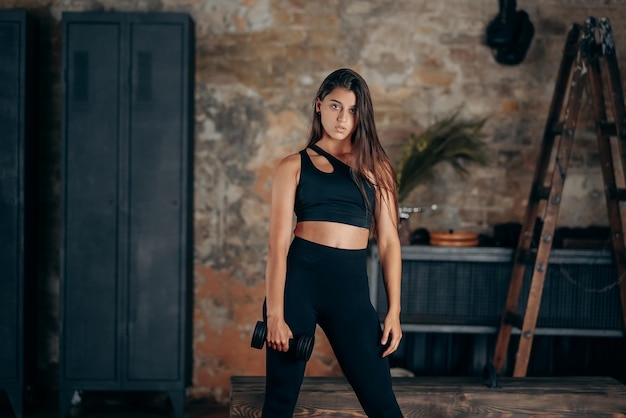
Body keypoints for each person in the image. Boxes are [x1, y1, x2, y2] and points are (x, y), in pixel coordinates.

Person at [261, 68, 404, 418]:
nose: (343, 118)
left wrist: (394, 311)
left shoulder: (377, 168)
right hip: (300, 283)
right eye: (336, 106)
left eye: (353, 110)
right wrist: (275, 315)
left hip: (350, 287)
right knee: (279, 401)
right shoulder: (292, 166)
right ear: (319, 105)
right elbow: (277, 246)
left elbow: (388, 243)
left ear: (362, 115)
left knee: (381, 402)